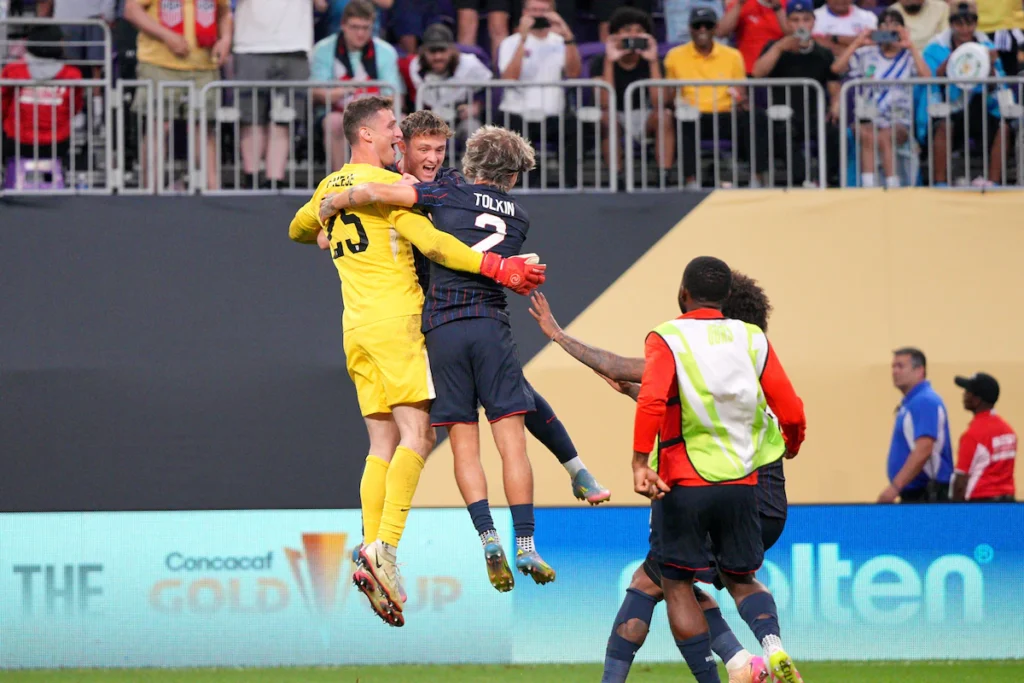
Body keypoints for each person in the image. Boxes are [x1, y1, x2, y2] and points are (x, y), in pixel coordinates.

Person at [319, 114, 612, 586]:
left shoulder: (438, 192)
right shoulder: (513, 210)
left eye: (439, 149)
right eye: (422, 149)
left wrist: (334, 201)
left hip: (438, 327)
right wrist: (509, 266)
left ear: (464, 159)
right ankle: (535, 531)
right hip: (486, 322)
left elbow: (352, 214)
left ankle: (481, 538)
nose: (432, 158)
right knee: (513, 423)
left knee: (457, 438)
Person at [288, 95, 546, 626]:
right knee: (419, 437)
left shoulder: (327, 188)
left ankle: (370, 543)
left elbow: (296, 228)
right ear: (366, 136)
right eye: (390, 130)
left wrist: (322, 223)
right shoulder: (388, 197)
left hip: (354, 328)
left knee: (381, 442)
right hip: (398, 322)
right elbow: (435, 246)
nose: (397, 139)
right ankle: (385, 547)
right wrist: (500, 268)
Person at [529, 271, 805, 683]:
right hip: (759, 499)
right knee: (712, 579)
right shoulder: (751, 357)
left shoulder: (685, 343)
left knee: (662, 582)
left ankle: (734, 665)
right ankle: (761, 652)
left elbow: (628, 371)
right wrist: (792, 443)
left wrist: (558, 335)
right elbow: (776, 411)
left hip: (700, 485)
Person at [631, 257, 804, 683]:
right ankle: (773, 646)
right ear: (726, 298)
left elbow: (652, 400)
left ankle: (729, 669)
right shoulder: (752, 340)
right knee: (742, 578)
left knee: (675, 583)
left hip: (685, 482)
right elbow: (792, 409)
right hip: (741, 486)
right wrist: (792, 442)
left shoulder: (666, 336)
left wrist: (639, 460)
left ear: (683, 294)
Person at [123, 0, 233, 191]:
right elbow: (131, 10)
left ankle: (213, 190)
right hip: (159, 64)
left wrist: (225, 40)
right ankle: (151, 192)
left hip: (204, 66)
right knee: (158, 127)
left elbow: (223, 13)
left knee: (205, 129)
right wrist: (167, 36)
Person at [663, 7, 771, 188]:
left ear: (716, 28)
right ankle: (691, 181)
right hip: (693, 115)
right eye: (698, 26)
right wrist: (676, 102)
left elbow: (740, 90)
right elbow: (670, 93)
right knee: (683, 121)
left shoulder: (732, 55)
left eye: (708, 25)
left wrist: (740, 100)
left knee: (756, 118)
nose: (703, 30)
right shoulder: (675, 55)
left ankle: (757, 178)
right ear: (690, 29)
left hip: (726, 114)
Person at [832, 12, 931, 188]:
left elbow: (927, 78)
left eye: (894, 25)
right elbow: (836, 68)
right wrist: (857, 42)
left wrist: (911, 46)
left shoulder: (909, 57)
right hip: (867, 117)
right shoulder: (866, 54)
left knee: (885, 135)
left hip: (898, 119)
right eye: (883, 25)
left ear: (902, 30)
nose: (888, 29)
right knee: (868, 134)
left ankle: (892, 187)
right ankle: (869, 187)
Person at [752, 0, 842, 186]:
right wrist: (779, 48)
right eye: (795, 20)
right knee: (782, 131)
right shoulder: (774, 48)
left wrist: (835, 105)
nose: (801, 24)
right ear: (787, 22)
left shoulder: (823, 53)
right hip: (782, 115)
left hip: (813, 115)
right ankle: (800, 180)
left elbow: (834, 86)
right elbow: (757, 73)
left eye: (806, 19)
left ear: (813, 22)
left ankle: (826, 181)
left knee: (834, 132)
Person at [923, 0, 1012, 187]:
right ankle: (940, 183)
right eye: (959, 24)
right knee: (944, 124)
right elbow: (930, 81)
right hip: (949, 106)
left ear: (976, 24)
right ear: (951, 24)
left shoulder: (987, 46)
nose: (964, 29)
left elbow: (998, 86)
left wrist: (991, 67)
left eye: (969, 23)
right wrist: (951, 61)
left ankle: (993, 183)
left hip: (980, 106)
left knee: (1003, 128)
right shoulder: (934, 48)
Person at [497, 0, 582, 189]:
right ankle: (526, 184)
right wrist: (523, 39)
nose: (538, 15)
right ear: (525, 13)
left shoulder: (561, 42)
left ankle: (571, 184)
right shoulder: (510, 43)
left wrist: (567, 35)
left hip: (553, 114)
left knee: (576, 128)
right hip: (517, 112)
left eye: (543, 10)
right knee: (511, 131)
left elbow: (574, 73)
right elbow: (510, 77)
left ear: (553, 13)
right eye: (534, 10)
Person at [310, 0, 403, 171]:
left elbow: (394, 95)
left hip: (375, 114)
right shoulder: (323, 49)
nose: (360, 33)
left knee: (401, 121)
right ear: (343, 25)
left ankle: (393, 178)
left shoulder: (385, 51)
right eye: (354, 27)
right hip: (339, 112)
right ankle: (341, 180)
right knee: (333, 122)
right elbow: (316, 92)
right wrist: (341, 92)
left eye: (365, 28)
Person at [232, 0, 315, 189]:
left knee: (284, 119)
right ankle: (251, 177)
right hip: (251, 43)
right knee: (250, 117)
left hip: (295, 43)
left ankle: (275, 180)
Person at [593, 6, 675, 181]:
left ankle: (664, 175)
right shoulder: (600, 61)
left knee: (664, 115)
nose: (633, 36)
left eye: (639, 31)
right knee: (607, 118)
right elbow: (604, 102)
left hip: (646, 116)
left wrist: (653, 61)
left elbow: (660, 101)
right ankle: (617, 176)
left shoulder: (654, 61)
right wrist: (610, 61)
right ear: (614, 35)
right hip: (617, 115)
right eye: (627, 30)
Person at [0, 23, 84, 171]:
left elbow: (2, 106)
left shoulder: (12, 70)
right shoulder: (72, 75)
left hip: (18, 142)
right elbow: (74, 109)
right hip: (57, 144)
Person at [879, 347, 954, 503]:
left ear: (919, 370)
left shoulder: (924, 401)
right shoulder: (911, 403)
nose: (894, 372)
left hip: (928, 494)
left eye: (900, 366)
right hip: (916, 493)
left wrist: (894, 487)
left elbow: (924, 448)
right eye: (893, 367)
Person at [409, 23, 493, 146]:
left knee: (473, 129)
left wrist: (477, 105)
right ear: (423, 51)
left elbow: (492, 87)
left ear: (452, 49)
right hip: (431, 122)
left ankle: (470, 166)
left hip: (461, 119)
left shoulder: (469, 63)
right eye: (432, 51)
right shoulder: (416, 66)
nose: (438, 56)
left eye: (442, 50)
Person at [951, 373, 1017, 502]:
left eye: (967, 392)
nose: (963, 395)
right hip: (1009, 505)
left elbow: (960, 481)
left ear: (977, 400)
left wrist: (954, 511)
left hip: (980, 504)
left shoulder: (972, 435)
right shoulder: (1009, 432)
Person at [716, 0, 788, 76]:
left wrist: (778, 9)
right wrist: (739, 4)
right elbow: (721, 32)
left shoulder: (786, 4)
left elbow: (794, 36)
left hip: (779, 71)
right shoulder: (742, 3)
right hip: (747, 72)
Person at [812, 0, 878, 56]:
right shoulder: (814, 16)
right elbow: (819, 46)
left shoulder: (868, 17)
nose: (840, 0)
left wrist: (836, 38)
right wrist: (860, 40)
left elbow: (877, 42)